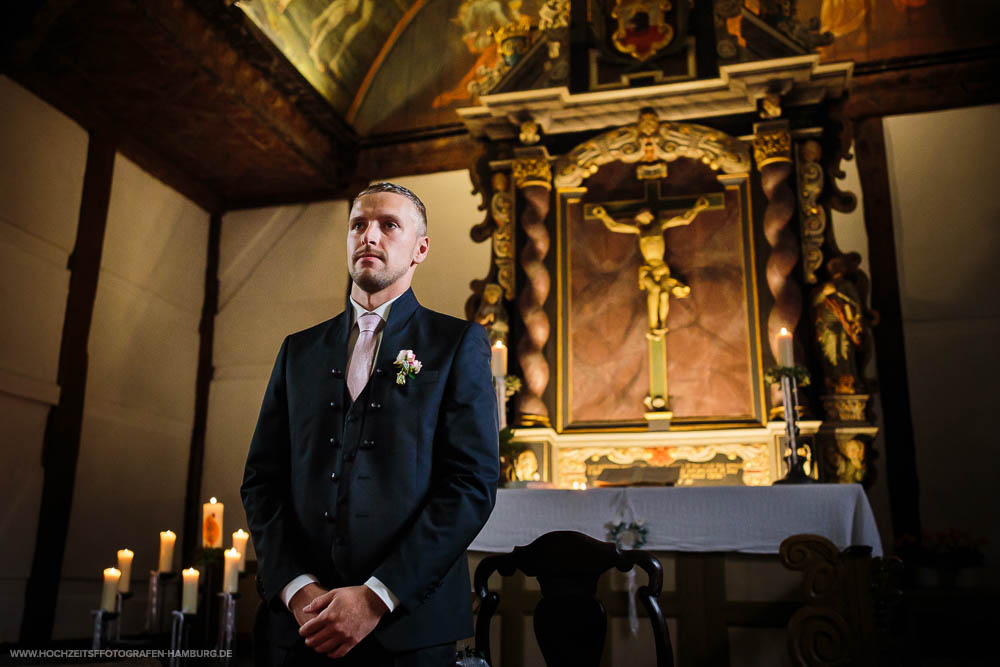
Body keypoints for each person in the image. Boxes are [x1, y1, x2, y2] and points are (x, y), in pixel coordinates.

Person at [241, 182, 499, 666]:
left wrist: (377, 596)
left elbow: (471, 483)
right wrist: (297, 589)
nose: (369, 236)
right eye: (358, 224)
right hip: (299, 627)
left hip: (408, 631)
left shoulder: (457, 344)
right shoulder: (298, 351)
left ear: (420, 248)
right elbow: (261, 480)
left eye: (388, 225)